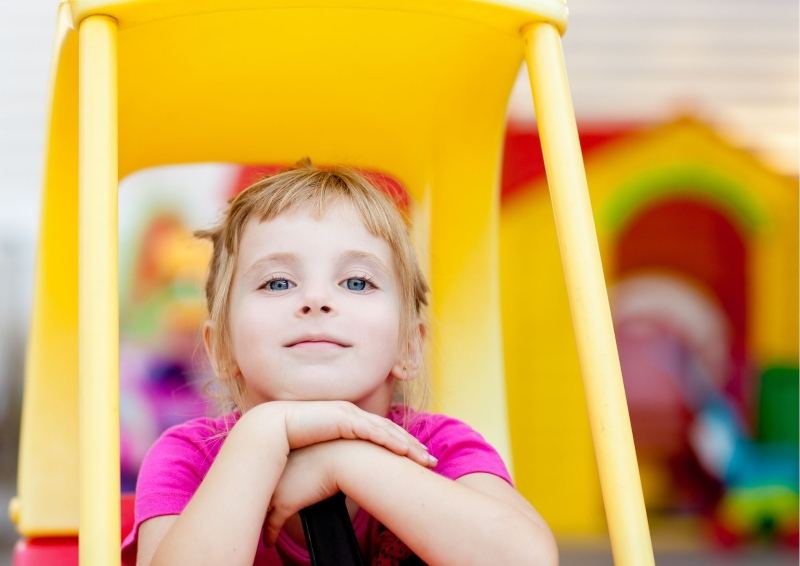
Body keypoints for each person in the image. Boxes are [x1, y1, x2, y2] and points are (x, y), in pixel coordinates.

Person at [122, 162, 558, 565]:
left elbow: (527, 559)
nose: (316, 300)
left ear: (408, 345)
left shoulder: (435, 450)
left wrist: (342, 463)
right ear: (222, 349)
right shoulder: (191, 459)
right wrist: (263, 434)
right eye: (277, 282)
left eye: (356, 281)